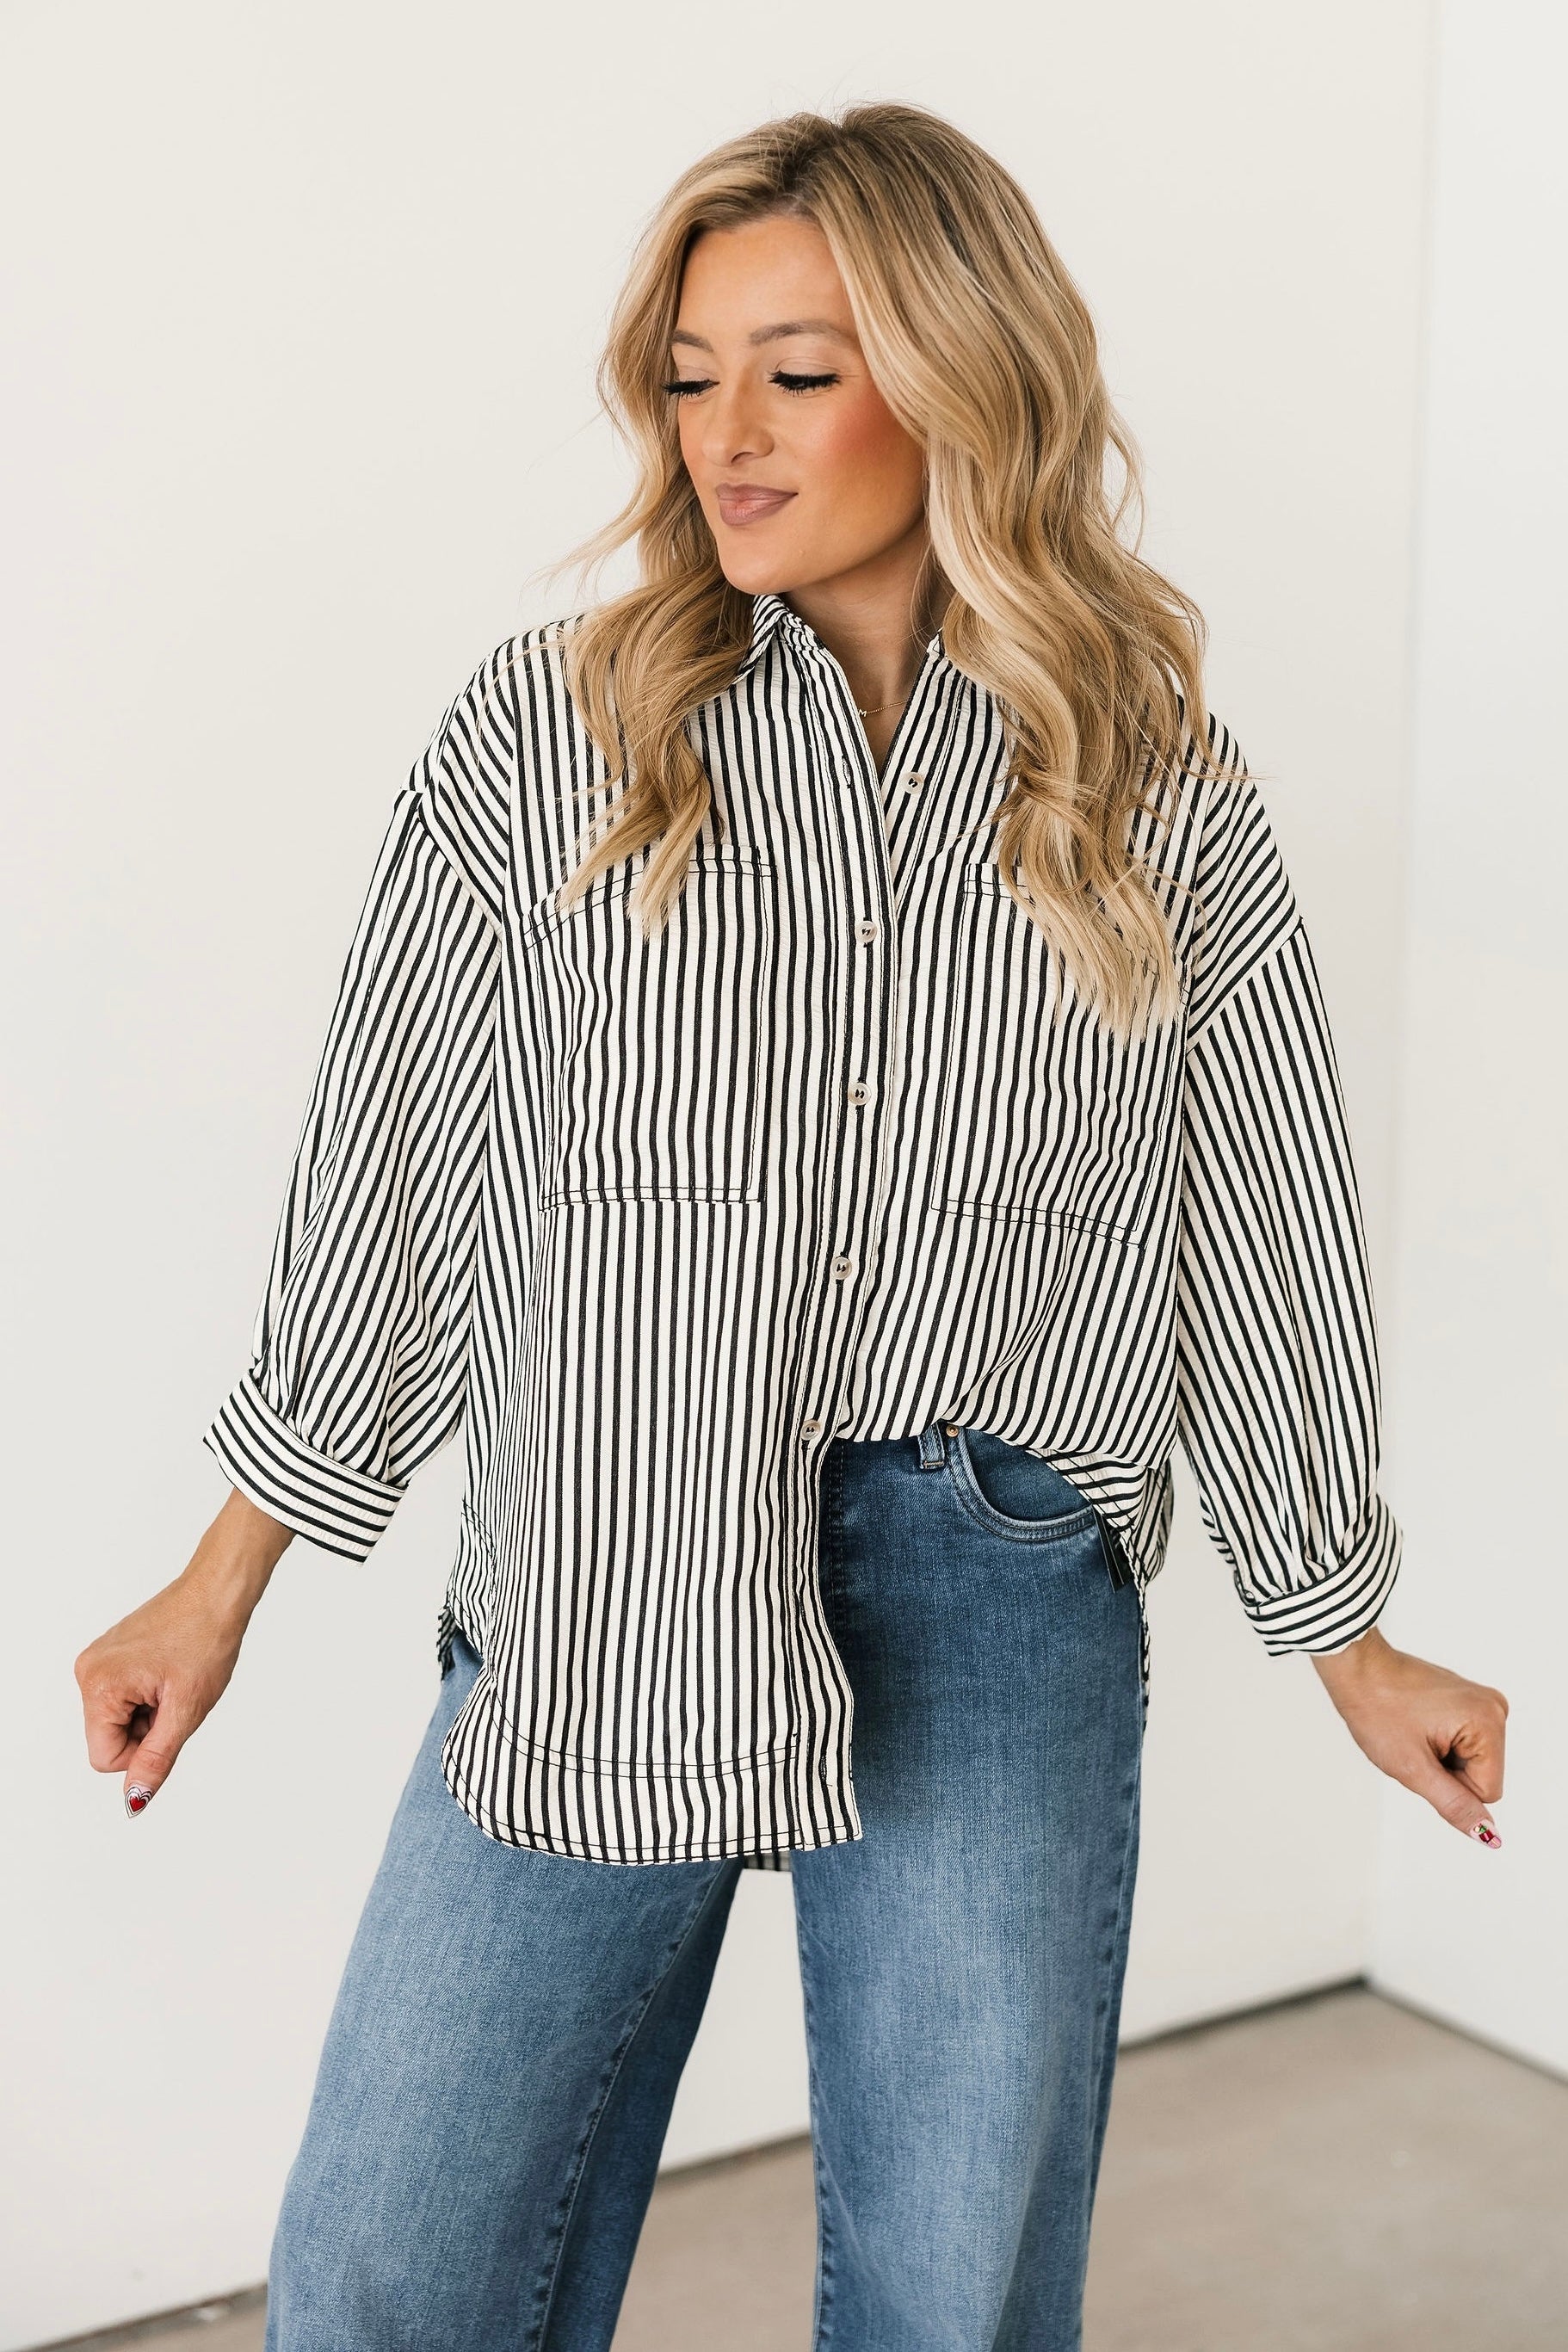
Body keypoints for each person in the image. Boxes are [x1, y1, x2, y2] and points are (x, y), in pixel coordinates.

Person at [75, 101, 1508, 2352]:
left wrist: (1351, 1638)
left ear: (957, 376)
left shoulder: (1141, 781)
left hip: (991, 1572)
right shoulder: (551, 737)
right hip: (613, 1546)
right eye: (688, 373)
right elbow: (390, 1182)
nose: (724, 434)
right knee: (388, 2283)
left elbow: (1263, 1214)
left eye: (798, 370)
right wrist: (221, 1575)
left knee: (949, 2307)